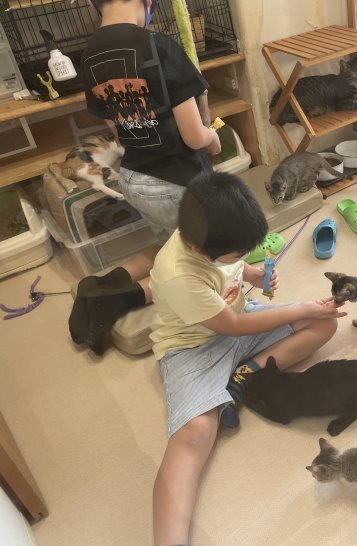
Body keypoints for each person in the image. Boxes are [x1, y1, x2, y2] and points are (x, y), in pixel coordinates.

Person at [150, 171, 345, 546]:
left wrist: (254, 274)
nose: (242, 257)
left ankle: (244, 376)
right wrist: (299, 308)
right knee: (196, 433)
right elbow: (234, 326)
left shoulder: (210, 233)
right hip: (191, 348)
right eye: (239, 253)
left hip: (238, 320)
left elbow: (232, 273)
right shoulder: (178, 274)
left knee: (325, 324)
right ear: (199, 250)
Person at [69, 0, 221, 354]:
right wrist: (213, 139)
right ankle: (117, 300)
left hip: (135, 179)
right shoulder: (160, 46)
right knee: (197, 264)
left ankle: (99, 284)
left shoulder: (88, 57)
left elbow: (118, 131)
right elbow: (195, 137)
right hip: (177, 184)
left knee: (168, 246)